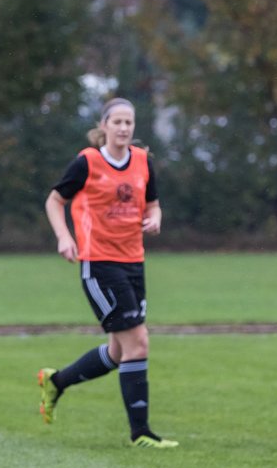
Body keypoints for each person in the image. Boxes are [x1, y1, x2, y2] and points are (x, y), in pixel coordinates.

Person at [38, 97, 178, 448]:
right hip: (99, 264)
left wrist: (156, 217)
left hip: (134, 262)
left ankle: (57, 382)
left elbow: (154, 203)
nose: (123, 128)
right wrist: (64, 237)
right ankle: (141, 433)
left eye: (129, 122)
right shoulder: (88, 161)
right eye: (116, 121)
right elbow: (55, 200)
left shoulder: (143, 161)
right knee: (138, 342)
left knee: (119, 351)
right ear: (104, 126)